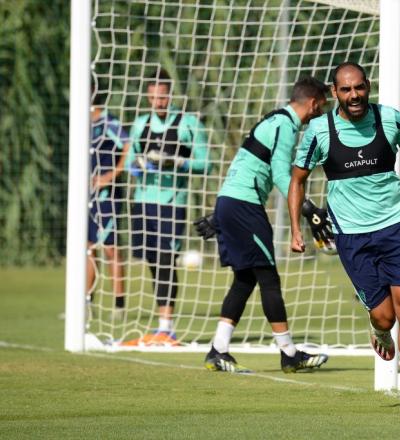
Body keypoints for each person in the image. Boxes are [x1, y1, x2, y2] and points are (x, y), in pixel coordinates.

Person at [288, 62, 400, 418]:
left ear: (367, 86)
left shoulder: (389, 119)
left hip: (395, 228)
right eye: (346, 90)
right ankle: (378, 329)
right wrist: (297, 229)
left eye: (359, 88)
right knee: (385, 317)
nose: (354, 95)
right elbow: (297, 180)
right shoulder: (319, 132)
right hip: (351, 235)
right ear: (335, 93)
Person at [194, 76, 330, 373]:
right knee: (268, 278)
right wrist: (307, 210)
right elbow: (283, 175)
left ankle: (218, 349)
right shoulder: (285, 125)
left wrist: (220, 215)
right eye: (322, 106)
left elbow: (247, 166)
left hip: (232, 203)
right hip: (243, 206)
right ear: (313, 102)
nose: (321, 112)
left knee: (245, 279)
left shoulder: (274, 119)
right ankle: (289, 354)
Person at [124, 68, 210, 345]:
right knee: (151, 259)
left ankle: (166, 325)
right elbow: (129, 163)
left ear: (170, 96)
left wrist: (175, 162)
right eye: (153, 98)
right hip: (142, 202)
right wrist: (139, 165)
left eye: (162, 97)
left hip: (172, 202)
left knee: (166, 260)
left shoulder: (187, 124)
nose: (158, 102)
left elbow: (205, 163)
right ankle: (162, 323)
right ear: (148, 97)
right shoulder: (140, 125)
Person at [87, 82, 130, 320]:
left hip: (107, 197)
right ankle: (87, 302)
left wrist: (111, 175)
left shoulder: (108, 122)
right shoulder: (83, 123)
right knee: (88, 249)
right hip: (87, 198)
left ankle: (119, 306)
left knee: (110, 248)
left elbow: (128, 145)